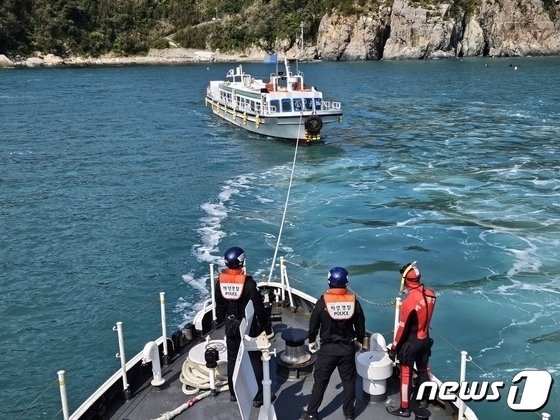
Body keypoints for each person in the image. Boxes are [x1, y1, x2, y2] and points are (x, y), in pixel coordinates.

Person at [301, 267, 366, 420]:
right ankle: (349, 414)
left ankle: (311, 413)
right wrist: (360, 341)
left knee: (320, 382)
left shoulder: (322, 302)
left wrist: (311, 340)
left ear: (330, 281)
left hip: (327, 351)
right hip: (347, 350)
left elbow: (313, 324)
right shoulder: (354, 302)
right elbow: (361, 326)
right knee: (349, 382)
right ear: (346, 282)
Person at [214, 246, 271, 407]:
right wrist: (264, 328)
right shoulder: (249, 283)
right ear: (241, 262)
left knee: (233, 359)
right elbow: (259, 308)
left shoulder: (220, 282)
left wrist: (224, 320)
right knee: (254, 359)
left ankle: (233, 393)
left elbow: (219, 306)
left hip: (230, 325)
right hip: (248, 326)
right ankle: (258, 395)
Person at [386, 263, 437, 418]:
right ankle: (424, 400)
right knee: (423, 371)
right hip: (425, 339)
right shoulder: (431, 294)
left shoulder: (409, 302)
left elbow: (402, 329)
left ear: (405, 281)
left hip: (411, 343)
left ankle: (404, 408)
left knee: (406, 375)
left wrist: (394, 348)